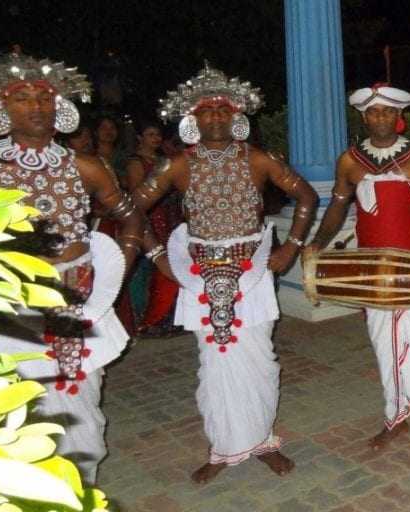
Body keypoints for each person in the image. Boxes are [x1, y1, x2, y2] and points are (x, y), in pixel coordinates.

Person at [134, 64, 316, 483]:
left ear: (236, 116)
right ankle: (223, 446)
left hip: (251, 269)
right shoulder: (176, 164)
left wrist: (291, 245)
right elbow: (130, 206)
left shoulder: (258, 158)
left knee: (260, 360)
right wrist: (157, 253)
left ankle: (262, 440)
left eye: (222, 109)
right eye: (206, 110)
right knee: (213, 362)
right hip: (200, 274)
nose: (215, 116)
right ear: (192, 120)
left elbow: (305, 195)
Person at [0, 52, 145, 483]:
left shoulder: (86, 166)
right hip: (12, 307)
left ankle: (79, 486)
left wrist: (117, 271)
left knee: (79, 401)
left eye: (45, 98)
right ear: (0, 108)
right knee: (21, 404)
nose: (36, 106)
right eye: (23, 98)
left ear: (62, 109)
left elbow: (130, 218)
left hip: (77, 300)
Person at [309, 84, 410, 458]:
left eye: (386, 111)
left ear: (398, 117)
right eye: (372, 112)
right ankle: (395, 416)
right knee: (384, 343)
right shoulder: (350, 160)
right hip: (373, 271)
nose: (379, 117)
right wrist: (318, 243)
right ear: (363, 117)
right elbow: (337, 207)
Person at [125, 119, 182, 337]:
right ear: (140, 137)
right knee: (153, 267)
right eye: (150, 134)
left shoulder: (163, 160)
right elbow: (136, 197)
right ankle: (151, 320)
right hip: (150, 218)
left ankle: (171, 317)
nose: (156, 139)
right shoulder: (136, 162)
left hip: (170, 216)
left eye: (158, 135)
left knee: (173, 262)